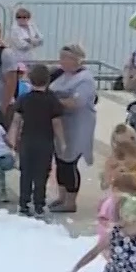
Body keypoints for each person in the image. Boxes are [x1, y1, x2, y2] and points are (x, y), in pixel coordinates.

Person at [47, 45, 99, 213]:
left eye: (66, 58)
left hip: (77, 124)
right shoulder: (59, 74)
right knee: (60, 160)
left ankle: (71, 201)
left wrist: (53, 102)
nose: (62, 61)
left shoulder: (85, 79)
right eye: (61, 57)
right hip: (60, 123)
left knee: (69, 162)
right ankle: (61, 196)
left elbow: (76, 102)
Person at [8, 63, 65, 217]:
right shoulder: (52, 100)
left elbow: (16, 121)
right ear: (47, 81)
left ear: (30, 80)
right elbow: (57, 123)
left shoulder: (24, 98)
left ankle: (24, 203)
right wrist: (62, 142)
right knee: (42, 173)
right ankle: (39, 203)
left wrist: (13, 140)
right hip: (45, 141)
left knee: (26, 172)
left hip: (27, 140)